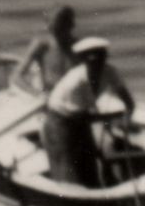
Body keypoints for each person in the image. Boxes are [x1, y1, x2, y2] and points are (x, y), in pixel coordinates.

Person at [43, 36, 137, 188]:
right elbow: (86, 118)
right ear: (83, 60)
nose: (97, 62)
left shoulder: (111, 72)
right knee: (69, 173)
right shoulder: (76, 81)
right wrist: (114, 117)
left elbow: (129, 103)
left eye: (101, 56)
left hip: (81, 118)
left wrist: (126, 118)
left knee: (89, 166)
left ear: (105, 57)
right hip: (60, 122)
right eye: (92, 59)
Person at [10, 4, 79, 94]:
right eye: (54, 30)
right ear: (48, 27)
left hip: (75, 96)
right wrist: (36, 93)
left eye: (61, 29)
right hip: (51, 95)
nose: (58, 34)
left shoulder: (78, 45)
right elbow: (16, 77)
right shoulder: (42, 44)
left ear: (71, 26)